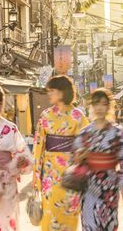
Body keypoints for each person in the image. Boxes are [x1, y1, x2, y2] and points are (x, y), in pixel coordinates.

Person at [74, 88, 123, 231]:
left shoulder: (118, 132)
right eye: (96, 103)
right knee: (89, 223)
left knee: (108, 223)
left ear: (109, 107)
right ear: (91, 106)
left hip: (109, 185)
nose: (99, 107)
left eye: (103, 104)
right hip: (88, 184)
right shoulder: (84, 132)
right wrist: (80, 157)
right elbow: (74, 158)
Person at [33, 75, 88, 231]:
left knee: (69, 218)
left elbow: (87, 143)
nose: (49, 94)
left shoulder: (78, 116)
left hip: (71, 175)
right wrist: (36, 178)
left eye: (52, 90)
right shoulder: (45, 116)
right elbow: (38, 148)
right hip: (50, 177)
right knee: (49, 218)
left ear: (63, 92)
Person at [0, 83, 32, 230]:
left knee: (7, 223)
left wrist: (16, 165)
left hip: (7, 182)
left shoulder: (11, 128)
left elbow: (22, 152)